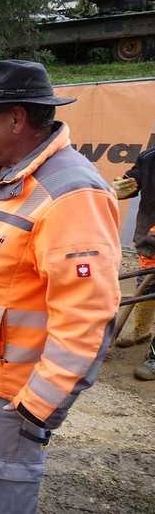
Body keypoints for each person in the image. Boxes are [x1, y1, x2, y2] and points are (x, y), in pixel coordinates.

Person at [0, 60, 121, 514]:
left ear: (16, 119)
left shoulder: (70, 194)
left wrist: (37, 407)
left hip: (8, 398)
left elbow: (88, 316)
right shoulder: (0, 176)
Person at [112, 148, 155, 380]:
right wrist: (120, 186)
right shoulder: (150, 157)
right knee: (145, 286)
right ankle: (141, 332)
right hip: (150, 236)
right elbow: (134, 180)